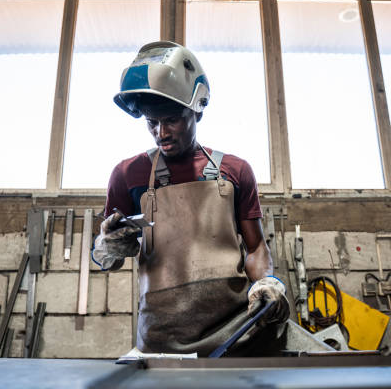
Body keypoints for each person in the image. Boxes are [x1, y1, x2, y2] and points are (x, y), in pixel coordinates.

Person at [92, 41, 290, 357]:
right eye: (151, 122)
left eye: (171, 119)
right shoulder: (128, 174)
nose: (161, 132)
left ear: (196, 108)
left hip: (237, 331)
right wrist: (109, 243)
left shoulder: (234, 171)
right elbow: (108, 260)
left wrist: (265, 284)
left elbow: (255, 247)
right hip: (163, 338)